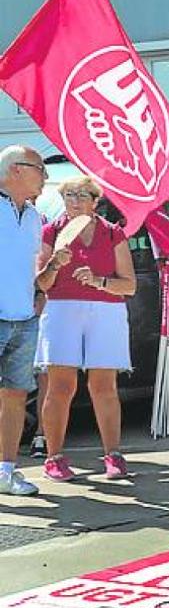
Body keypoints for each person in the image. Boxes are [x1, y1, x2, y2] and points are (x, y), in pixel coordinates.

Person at [33, 177, 137, 481]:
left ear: (95, 201)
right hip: (61, 310)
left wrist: (99, 282)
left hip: (107, 311)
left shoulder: (112, 233)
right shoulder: (52, 231)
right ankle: (54, 457)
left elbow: (129, 285)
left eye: (81, 195)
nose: (74, 201)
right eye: (68, 195)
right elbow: (41, 283)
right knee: (60, 387)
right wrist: (54, 263)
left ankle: (113, 455)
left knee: (103, 386)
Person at [0, 145, 44, 496]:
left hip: (24, 318)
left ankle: (6, 472)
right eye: (39, 168)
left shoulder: (33, 216)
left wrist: (41, 292)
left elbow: (29, 269)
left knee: (15, 396)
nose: (44, 176)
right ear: (16, 169)